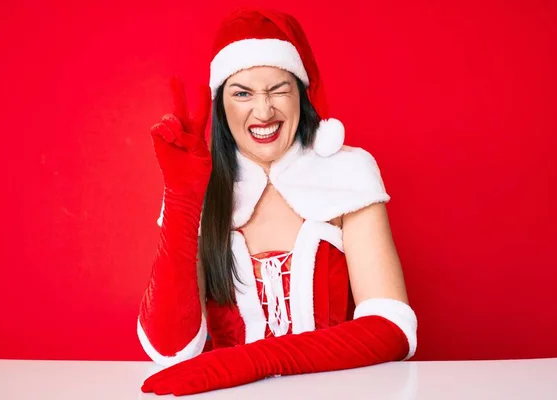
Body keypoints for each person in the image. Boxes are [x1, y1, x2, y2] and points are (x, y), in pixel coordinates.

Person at [137, 7, 418, 396]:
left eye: (278, 89)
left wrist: (254, 359)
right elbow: (170, 349)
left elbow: (392, 328)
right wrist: (183, 201)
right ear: (222, 105)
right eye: (243, 93)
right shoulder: (197, 187)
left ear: (300, 94)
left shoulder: (349, 172)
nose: (264, 110)